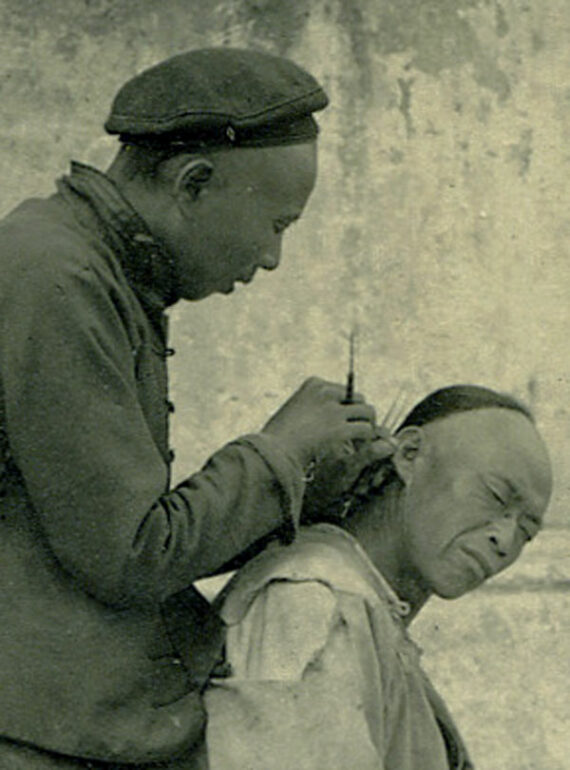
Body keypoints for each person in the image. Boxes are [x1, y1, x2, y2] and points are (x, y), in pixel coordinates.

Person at [0, 48, 379, 769]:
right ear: (193, 182)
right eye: (277, 224)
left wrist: (306, 483)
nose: (271, 259)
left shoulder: (93, 265)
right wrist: (281, 451)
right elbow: (133, 554)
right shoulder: (56, 277)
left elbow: (122, 544)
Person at [205, 384, 553, 770]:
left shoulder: (372, 610)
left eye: (526, 531)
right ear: (409, 454)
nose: (505, 540)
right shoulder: (316, 602)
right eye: (495, 496)